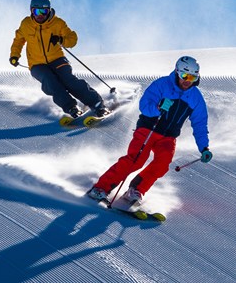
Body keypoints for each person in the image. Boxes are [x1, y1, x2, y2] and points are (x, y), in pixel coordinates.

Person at [86, 55, 212, 211]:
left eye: (193, 77)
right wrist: (157, 108)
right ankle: (100, 188)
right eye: (185, 76)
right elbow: (144, 105)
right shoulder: (162, 85)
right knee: (136, 159)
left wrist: (204, 147)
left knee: (162, 163)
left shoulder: (196, 98)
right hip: (149, 128)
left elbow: (200, 124)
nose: (188, 81)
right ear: (177, 72)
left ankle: (135, 190)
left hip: (168, 137)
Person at [9, 0, 107, 119]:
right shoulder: (26, 24)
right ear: (31, 11)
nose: (40, 15)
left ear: (49, 10)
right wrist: (14, 55)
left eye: (44, 11)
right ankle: (71, 107)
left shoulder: (57, 23)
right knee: (51, 83)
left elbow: (72, 39)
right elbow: (18, 40)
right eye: (36, 11)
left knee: (68, 80)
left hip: (57, 59)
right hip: (37, 64)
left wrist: (61, 39)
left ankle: (97, 104)